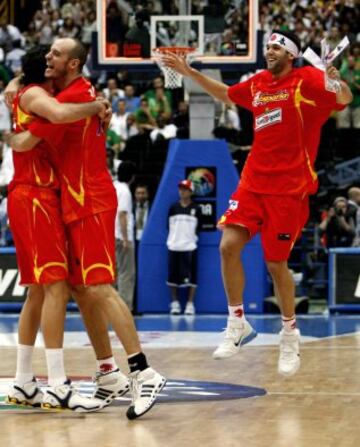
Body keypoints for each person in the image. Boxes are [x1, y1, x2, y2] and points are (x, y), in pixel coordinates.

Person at [162, 30, 353, 375]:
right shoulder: (259, 83)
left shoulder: (306, 80)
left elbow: (344, 99)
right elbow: (226, 94)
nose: (269, 51)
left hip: (289, 190)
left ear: (291, 54)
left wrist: (336, 82)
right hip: (252, 184)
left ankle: (289, 334)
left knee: (276, 265)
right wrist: (189, 72)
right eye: (267, 46)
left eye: (276, 47)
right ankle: (237, 323)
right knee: (227, 247)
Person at [8, 37, 166, 419]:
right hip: (68, 201)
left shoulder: (71, 97)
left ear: (74, 64)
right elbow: (19, 89)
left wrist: (13, 136)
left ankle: (143, 371)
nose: (49, 58)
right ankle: (109, 374)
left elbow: (33, 120)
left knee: (97, 286)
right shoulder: (68, 93)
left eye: (56, 55)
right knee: (80, 289)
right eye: (46, 55)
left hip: (90, 199)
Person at [5, 46, 109, 412]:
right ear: (43, 71)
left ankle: (22, 381)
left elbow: (24, 129)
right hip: (36, 196)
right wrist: (96, 106)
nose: (54, 65)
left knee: (36, 293)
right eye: (48, 61)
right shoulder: (35, 95)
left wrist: (20, 136)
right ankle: (58, 384)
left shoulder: (24, 92)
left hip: (27, 195)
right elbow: (62, 112)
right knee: (55, 288)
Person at [166, 180, 201, 316]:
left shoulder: (196, 209)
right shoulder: (173, 208)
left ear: (191, 192)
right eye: (181, 188)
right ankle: (175, 304)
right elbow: (168, 226)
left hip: (190, 248)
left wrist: (191, 239)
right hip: (173, 246)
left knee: (192, 277)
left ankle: (190, 305)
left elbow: (199, 229)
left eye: (185, 189)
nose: (182, 191)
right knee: (172, 276)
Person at [114, 161, 136, 311]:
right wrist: (126, 238)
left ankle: (114, 308)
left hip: (110, 236)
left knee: (115, 274)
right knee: (126, 274)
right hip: (121, 237)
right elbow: (122, 214)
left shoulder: (113, 186)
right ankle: (124, 310)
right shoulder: (125, 191)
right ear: (132, 177)